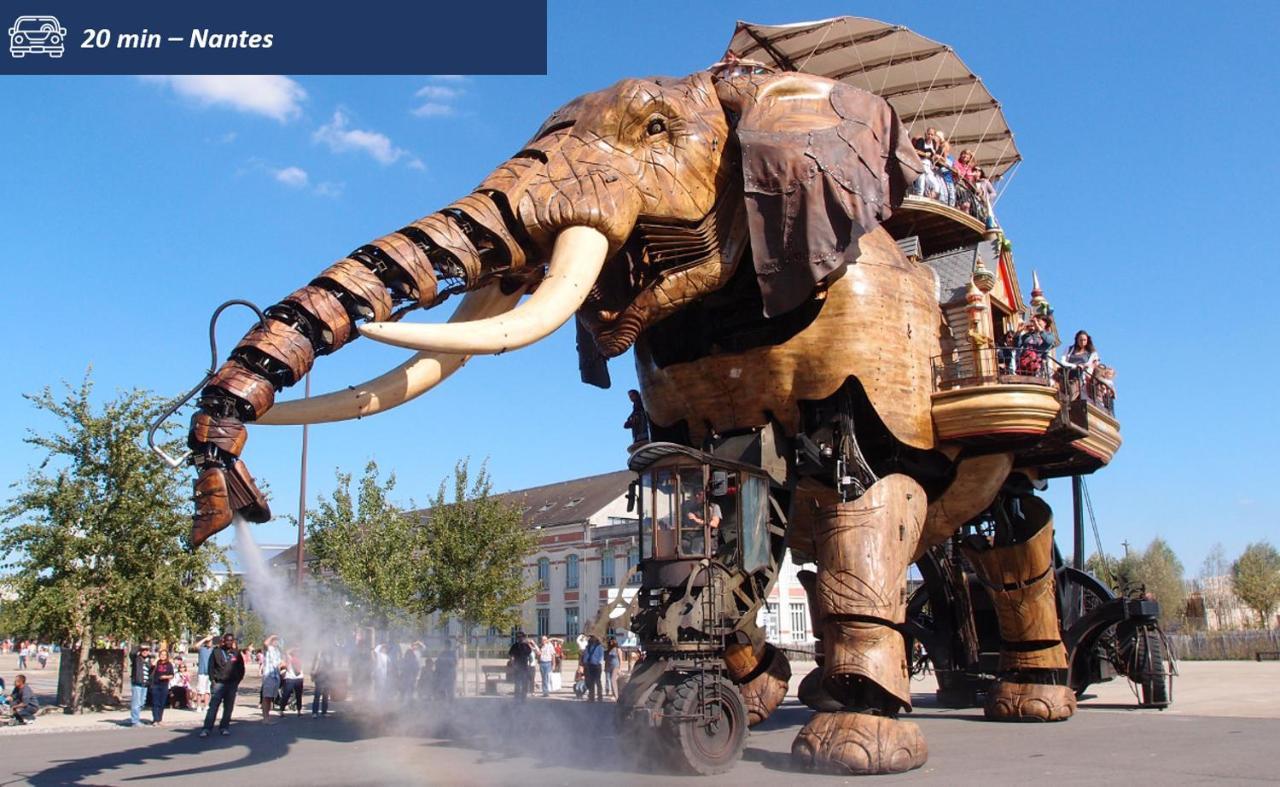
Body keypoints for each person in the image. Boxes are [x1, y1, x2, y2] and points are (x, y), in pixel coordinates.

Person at [201, 632, 245, 738]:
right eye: (227, 640)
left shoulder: (236, 653)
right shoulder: (216, 652)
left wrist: (237, 682)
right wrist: (213, 681)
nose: (229, 642)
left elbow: (241, 669)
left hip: (231, 684)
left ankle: (224, 727)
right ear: (223, 641)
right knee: (213, 707)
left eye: (231, 640)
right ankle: (207, 728)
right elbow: (210, 667)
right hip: (219, 683)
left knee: (228, 707)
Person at [128, 643, 152, 727]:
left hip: (145, 684)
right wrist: (140, 646)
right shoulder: (136, 659)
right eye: (143, 650)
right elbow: (132, 653)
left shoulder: (149, 660)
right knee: (136, 703)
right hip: (137, 683)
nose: (145, 651)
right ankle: (135, 721)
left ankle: (136, 717)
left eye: (147, 650)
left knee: (142, 702)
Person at [260, 635, 283, 722]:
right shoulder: (268, 649)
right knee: (266, 697)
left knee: (270, 698)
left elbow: (279, 664)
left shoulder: (277, 651)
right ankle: (265, 718)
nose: (276, 642)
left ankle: (267, 716)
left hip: (276, 676)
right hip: (269, 676)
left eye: (277, 640)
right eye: (274, 640)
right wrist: (273, 635)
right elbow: (265, 643)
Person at [149, 649, 175, 726]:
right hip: (155, 684)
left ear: (167, 656)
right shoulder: (156, 663)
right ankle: (155, 719)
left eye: (164, 655)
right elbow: (152, 666)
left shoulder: (169, 664)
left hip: (164, 684)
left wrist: (165, 677)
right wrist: (157, 658)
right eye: (161, 654)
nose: (163, 656)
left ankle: (160, 719)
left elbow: (172, 675)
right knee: (155, 703)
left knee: (162, 703)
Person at [508, 632, 535, 702]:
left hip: (524, 667)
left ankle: (523, 698)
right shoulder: (515, 646)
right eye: (519, 637)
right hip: (518, 667)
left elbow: (530, 657)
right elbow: (511, 656)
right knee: (518, 683)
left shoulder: (525, 646)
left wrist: (529, 664)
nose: (520, 638)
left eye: (520, 637)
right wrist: (513, 664)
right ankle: (518, 698)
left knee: (523, 683)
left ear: (522, 638)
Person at [280, 648, 305, 716]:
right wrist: (294, 647)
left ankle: (299, 711)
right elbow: (287, 652)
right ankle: (281, 711)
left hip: (299, 678)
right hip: (290, 678)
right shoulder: (290, 658)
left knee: (298, 696)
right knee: (286, 695)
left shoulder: (301, 659)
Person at [581, 635, 605, 702]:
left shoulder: (599, 646)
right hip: (589, 665)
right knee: (590, 681)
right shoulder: (588, 646)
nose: (591, 638)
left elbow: (601, 656)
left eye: (593, 637)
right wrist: (585, 663)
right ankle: (591, 697)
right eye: (591, 637)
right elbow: (586, 655)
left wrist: (599, 662)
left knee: (598, 681)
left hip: (597, 665)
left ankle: (600, 697)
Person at [311, 648, 334, 718]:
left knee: (325, 695)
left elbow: (331, 666)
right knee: (317, 695)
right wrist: (313, 675)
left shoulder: (330, 655)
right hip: (319, 676)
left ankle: (324, 712)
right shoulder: (318, 655)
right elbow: (314, 666)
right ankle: (314, 712)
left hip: (327, 677)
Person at [194, 635, 214, 713]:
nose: (209, 643)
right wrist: (205, 638)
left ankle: (206, 706)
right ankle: (198, 706)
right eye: (208, 642)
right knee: (200, 690)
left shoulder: (213, 650)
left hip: (210, 673)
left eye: (211, 641)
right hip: (202, 672)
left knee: (207, 691)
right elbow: (196, 645)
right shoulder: (202, 649)